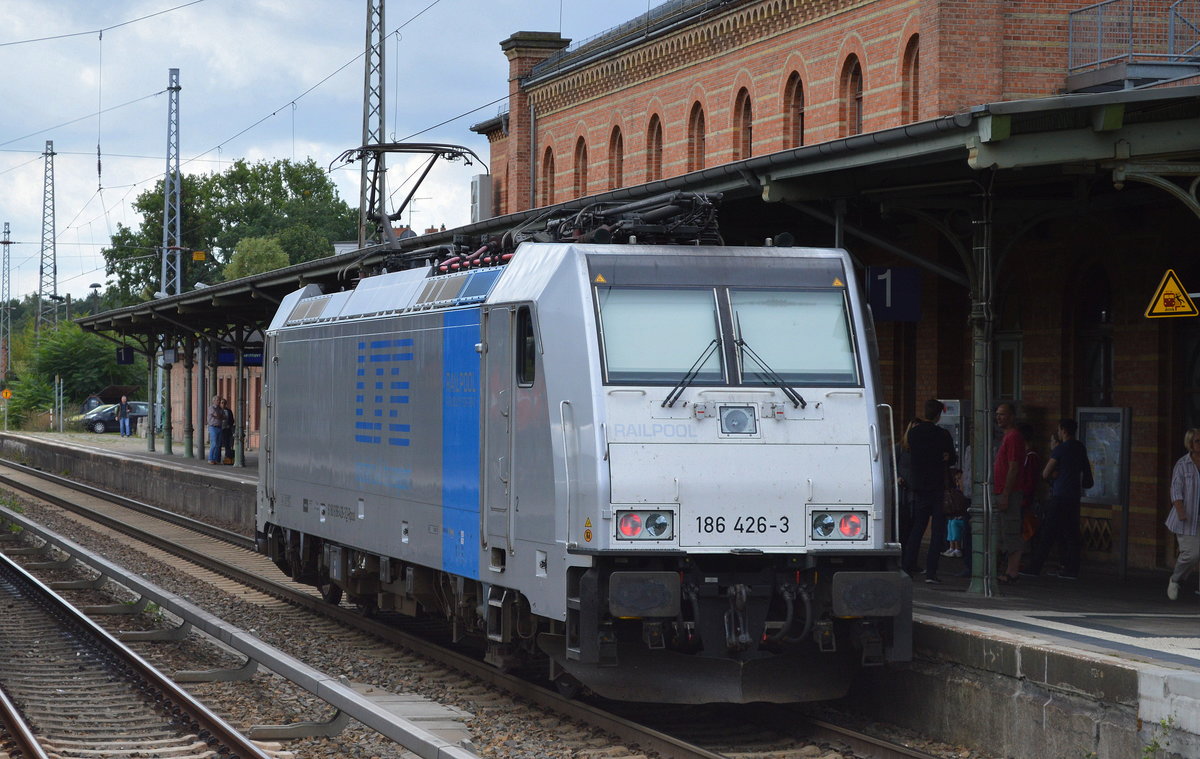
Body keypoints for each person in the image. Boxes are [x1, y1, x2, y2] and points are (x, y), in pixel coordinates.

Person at [1023, 418, 1092, 579]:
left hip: (1059, 496)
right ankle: (1072, 569)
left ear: (1064, 430)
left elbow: (1045, 473)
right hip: (1074, 496)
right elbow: (1087, 474)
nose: (1059, 433)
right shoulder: (1080, 447)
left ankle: (1035, 567)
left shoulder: (1060, 449)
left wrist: (1053, 478)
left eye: (1059, 430)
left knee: (1047, 532)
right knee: (1072, 533)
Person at [902, 399, 957, 584]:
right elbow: (952, 458)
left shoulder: (914, 433)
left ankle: (907, 567)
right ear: (939, 415)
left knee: (918, 528)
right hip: (938, 486)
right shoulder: (942, 434)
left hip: (919, 486)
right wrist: (945, 457)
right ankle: (931, 572)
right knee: (937, 531)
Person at [993, 402, 1025, 584]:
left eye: (1003, 414)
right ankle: (1005, 569)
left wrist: (1006, 493)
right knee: (1002, 531)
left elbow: (1013, 467)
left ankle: (1012, 571)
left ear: (1012, 416)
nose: (999, 417)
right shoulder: (1007, 437)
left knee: (1011, 530)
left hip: (1009, 493)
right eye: (997, 414)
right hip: (1001, 491)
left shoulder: (1013, 437)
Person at [1167, 428, 1200, 601]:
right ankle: (1176, 579)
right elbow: (1175, 490)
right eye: (1198, 441)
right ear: (1190, 444)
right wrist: (1180, 511)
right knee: (1191, 553)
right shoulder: (1182, 464)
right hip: (1188, 517)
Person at [895, 419, 919, 549]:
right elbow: (890, 465)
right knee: (902, 524)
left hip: (915, 493)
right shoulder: (899, 448)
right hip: (902, 493)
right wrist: (897, 477)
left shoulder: (920, 450)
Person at [942, 469, 968, 558]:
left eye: (959, 479)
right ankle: (951, 547)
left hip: (963, 517)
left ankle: (958, 548)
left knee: (954, 523)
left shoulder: (964, 492)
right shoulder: (955, 492)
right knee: (950, 523)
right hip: (958, 516)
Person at [207, 396, 223, 464]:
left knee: (218, 444)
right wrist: (219, 416)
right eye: (217, 400)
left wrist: (219, 416)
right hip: (213, 427)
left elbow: (224, 417)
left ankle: (216, 459)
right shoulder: (211, 408)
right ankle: (210, 459)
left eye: (219, 400)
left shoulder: (220, 409)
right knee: (214, 443)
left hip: (219, 427)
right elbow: (218, 415)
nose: (219, 401)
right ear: (213, 401)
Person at [219, 397, 235, 465]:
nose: (223, 404)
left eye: (224, 403)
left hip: (227, 429)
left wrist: (229, 425)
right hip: (219, 429)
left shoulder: (229, 411)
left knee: (227, 444)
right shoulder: (218, 410)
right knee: (218, 444)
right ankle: (218, 458)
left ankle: (227, 457)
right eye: (222, 403)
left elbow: (232, 420)